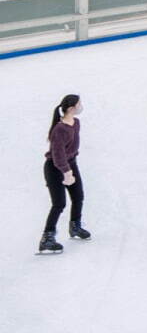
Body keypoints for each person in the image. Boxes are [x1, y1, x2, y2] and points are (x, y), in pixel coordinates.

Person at [39, 94, 88, 254]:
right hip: (55, 168)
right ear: (71, 108)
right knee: (59, 203)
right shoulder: (59, 129)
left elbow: (71, 149)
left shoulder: (76, 123)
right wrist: (66, 173)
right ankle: (47, 238)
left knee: (78, 196)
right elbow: (57, 154)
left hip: (71, 164)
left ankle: (75, 227)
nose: (81, 107)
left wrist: (71, 167)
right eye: (79, 104)